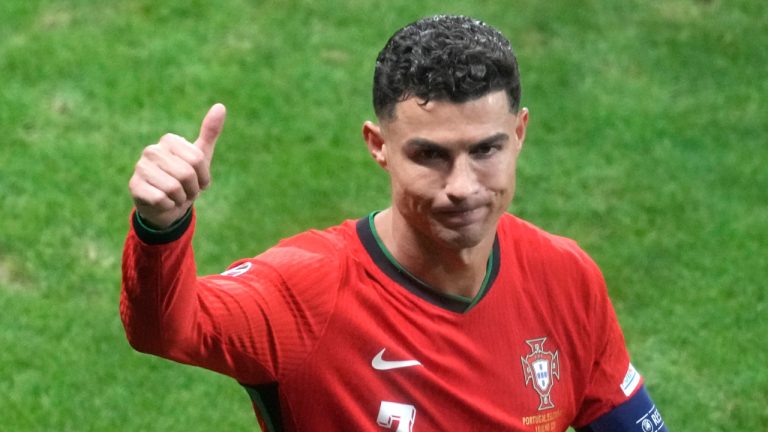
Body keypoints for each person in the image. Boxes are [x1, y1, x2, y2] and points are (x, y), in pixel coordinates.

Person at [121, 15, 667, 432]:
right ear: (379, 146)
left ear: (519, 134)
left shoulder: (564, 277)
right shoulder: (305, 293)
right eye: (430, 155)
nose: (463, 186)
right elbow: (166, 329)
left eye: (485, 150)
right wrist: (162, 227)